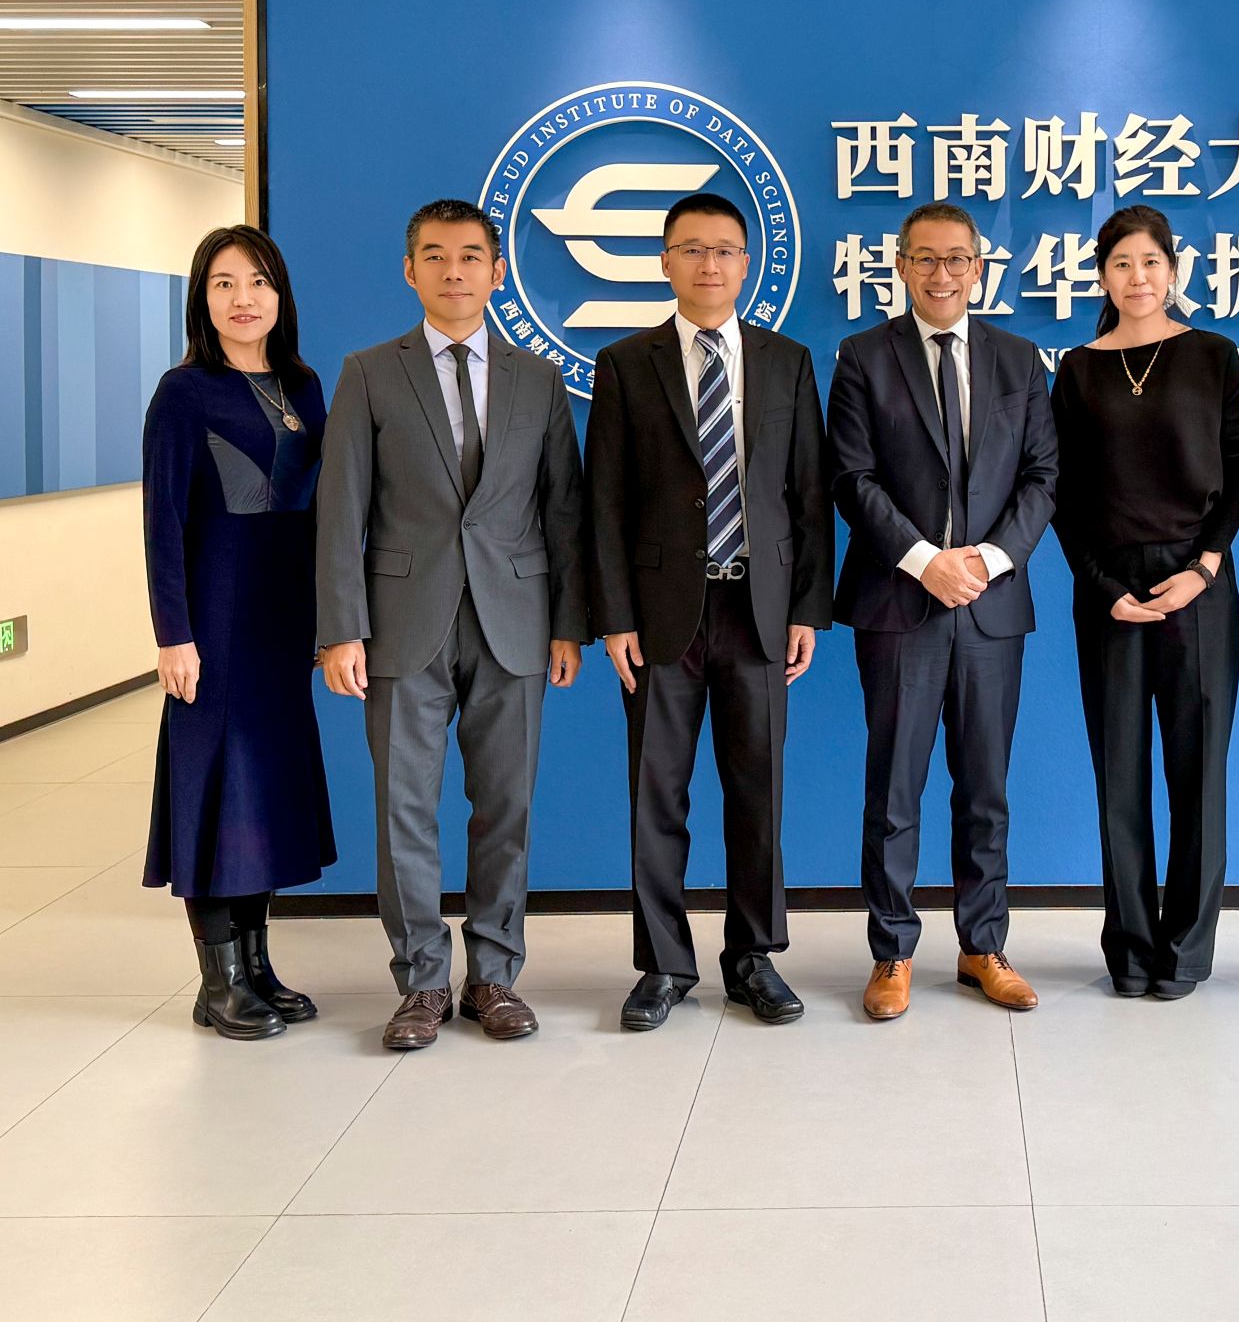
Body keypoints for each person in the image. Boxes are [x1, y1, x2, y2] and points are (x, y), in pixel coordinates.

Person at [316, 198, 588, 1050]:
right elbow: (340, 508)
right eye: (435, 256)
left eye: (471, 256)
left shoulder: (537, 377)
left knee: (506, 806)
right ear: (410, 271)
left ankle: (494, 976)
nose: (454, 271)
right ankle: (422, 981)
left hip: (516, 620)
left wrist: (568, 623)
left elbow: (563, 509)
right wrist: (340, 628)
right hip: (402, 623)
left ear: (497, 271)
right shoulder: (369, 371)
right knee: (404, 809)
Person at [584, 192, 833, 1029]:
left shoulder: (787, 360)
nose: (709, 263)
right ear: (665, 261)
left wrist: (807, 606)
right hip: (660, 615)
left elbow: (808, 492)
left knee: (758, 792)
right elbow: (605, 499)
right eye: (692, 248)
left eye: (725, 249)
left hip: (759, 607)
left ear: (747, 262)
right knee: (657, 794)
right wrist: (614, 616)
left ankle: (753, 956)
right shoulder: (626, 363)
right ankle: (663, 963)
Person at [827, 201, 1058, 1021]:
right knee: (894, 788)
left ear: (979, 268)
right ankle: (891, 951)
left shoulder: (1019, 359)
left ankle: (982, 945)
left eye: (956, 258)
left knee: (985, 788)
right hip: (900, 602)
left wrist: (987, 561)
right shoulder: (863, 356)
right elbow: (851, 478)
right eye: (924, 258)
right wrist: (926, 560)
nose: (941, 273)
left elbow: (1043, 477)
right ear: (900, 266)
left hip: (992, 606)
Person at [1051, 204, 1239, 1000]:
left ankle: (1187, 949)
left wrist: (1205, 565)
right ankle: (1130, 948)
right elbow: (1060, 495)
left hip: (1198, 582)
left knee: (1198, 772)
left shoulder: (1213, 354)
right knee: (1120, 773)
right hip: (1108, 586)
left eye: (1151, 262)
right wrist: (1102, 586)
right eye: (1121, 264)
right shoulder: (1076, 369)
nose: (1138, 277)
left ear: (1173, 269)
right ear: (1102, 275)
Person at [143, 225, 335, 1041]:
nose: (242, 298)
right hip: (212, 625)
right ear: (203, 299)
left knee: (263, 795)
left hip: (281, 624)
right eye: (223, 284)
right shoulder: (184, 392)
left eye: (257, 281)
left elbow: (323, 511)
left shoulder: (304, 385)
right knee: (213, 791)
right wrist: (173, 633)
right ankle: (217, 979)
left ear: (279, 295)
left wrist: (329, 620)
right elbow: (162, 520)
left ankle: (255, 966)